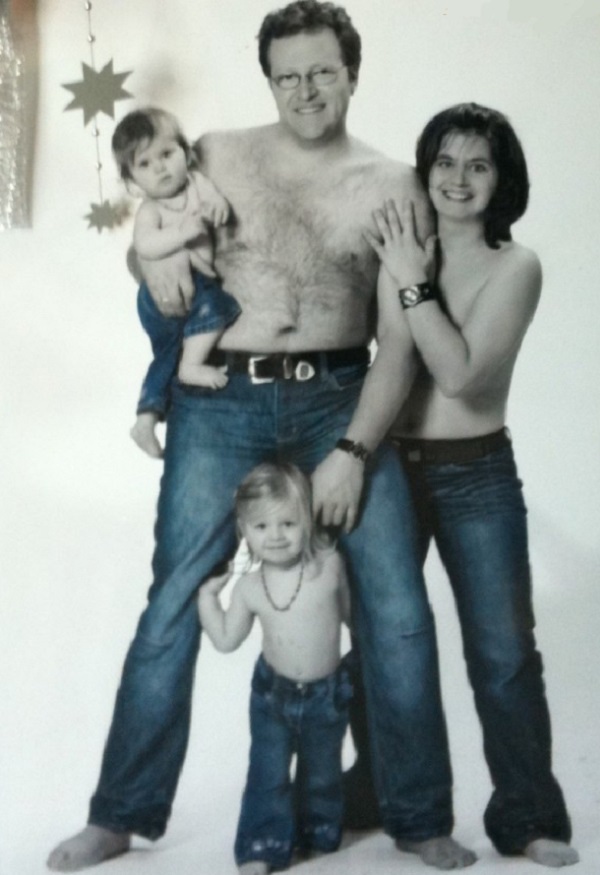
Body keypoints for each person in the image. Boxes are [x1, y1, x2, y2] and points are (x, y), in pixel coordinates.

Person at [47, 3, 476, 871]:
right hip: (221, 398)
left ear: (352, 73)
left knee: (396, 601)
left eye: (322, 72)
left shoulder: (394, 185)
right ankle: (120, 813)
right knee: (176, 592)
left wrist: (353, 452)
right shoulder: (219, 153)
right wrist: (149, 261)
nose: (305, 90)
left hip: (339, 396)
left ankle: (419, 813)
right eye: (288, 76)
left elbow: (399, 345)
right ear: (269, 81)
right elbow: (150, 230)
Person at [360, 102, 578, 868]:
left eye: (477, 165)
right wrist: (408, 272)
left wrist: (413, 282)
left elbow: (456, 374)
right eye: (445, 162)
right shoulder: (403, 249)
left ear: (501, 179)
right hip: (392, 467)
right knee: (384, 644)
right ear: (425, 170)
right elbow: (392, 360)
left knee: (504, 652)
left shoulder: (516, 266)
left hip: (475, 471)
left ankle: (528, 817)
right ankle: (389, 805)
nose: (458, 178)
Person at [198, 463, 352, 874]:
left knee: (322, 772)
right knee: (268, 774)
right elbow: (226, 640)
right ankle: (262, 847)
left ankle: (317, 832)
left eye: (288, 522)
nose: (276, 535)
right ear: (244, 531)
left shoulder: (329, 567)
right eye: (262, 526)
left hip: (327, 695)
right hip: (273, 697)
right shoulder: (249, 587)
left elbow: (355, 619)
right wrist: (208, 600)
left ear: (308, 521)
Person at [111, 107, 241, 458]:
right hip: (160, 295)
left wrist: (218, 208)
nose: (160, 168)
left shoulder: (198, 184)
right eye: (144, 164)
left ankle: (146, 419)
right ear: (132, 181)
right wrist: (182, 233)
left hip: (193, 283)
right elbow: (145, 245)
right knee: (219, 306)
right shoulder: (151, 210)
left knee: (168, 354)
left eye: (167, 154)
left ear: (187, 152)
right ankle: (192, 367)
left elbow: (216, 202)